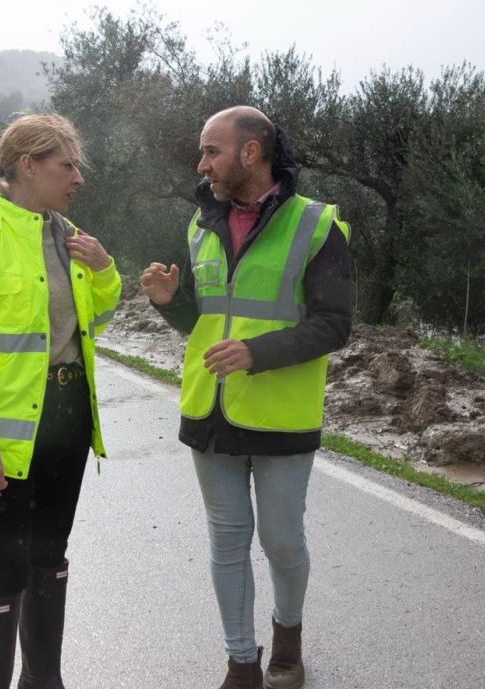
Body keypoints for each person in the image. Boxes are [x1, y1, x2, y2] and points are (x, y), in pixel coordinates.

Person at [140, 106, 354, 689]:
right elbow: (205, 323)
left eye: (211, 150)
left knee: (282, 540)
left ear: (251, 153)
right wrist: (168, 304)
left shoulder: (316, 226)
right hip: (209, 414)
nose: (200, 163)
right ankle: (241, 661)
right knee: (227, 541)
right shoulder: (198, 225)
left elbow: (335, 325)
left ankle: (288, 641)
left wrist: (257, 354)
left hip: (282, 416)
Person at [0, 112, 121, 689]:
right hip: (6, 442)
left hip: (66, 426)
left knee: (50, 557)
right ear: (27, 166)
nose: (78, 178)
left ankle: (45, 681)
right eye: (67, 165)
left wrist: (106, 270)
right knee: (8, 565)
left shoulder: (68, 238)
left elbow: (94, 325)